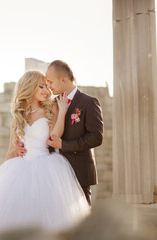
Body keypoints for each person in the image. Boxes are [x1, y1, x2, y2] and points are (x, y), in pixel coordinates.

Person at [0, 70, 90, 240]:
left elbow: (55, 136)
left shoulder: (50, 108)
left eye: (46, 86)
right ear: (29, 87)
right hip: (20, 167)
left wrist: (62, 111)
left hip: (46, 166)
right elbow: (11, 149)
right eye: (41, 86)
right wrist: (6, 172)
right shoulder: (18, 116)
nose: (46, 90)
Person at [17, 60, 104, 206]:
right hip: (52, 174)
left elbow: (96, 137)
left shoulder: (88, 102)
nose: (48, 87)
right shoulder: (51, 104)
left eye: (50, 82)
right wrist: (24, 144)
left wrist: (64, 145)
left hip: (78, 171)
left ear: (63, 80)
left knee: (80, 219)